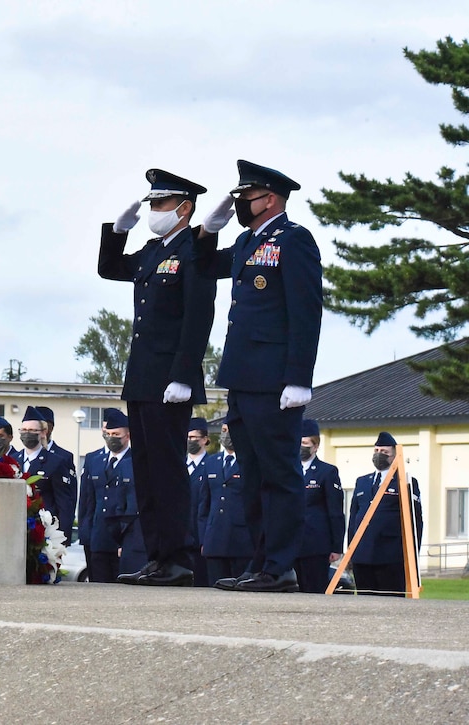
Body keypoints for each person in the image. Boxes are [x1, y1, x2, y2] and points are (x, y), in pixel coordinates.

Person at [195, 160, 323, 593]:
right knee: (251, 474)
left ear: (269, 199)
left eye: (244, 199)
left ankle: (281, 566)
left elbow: (306, 312)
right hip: (242, 377)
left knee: (278, 474)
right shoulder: (248, 241)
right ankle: (262, 562)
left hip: (274, 380)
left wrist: (298, 377)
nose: (238, 206)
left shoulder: (294, 240)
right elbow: (200, 262)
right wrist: (208, 229)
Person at [99, 168, 216, 587]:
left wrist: (184, 373)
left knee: (168, 471)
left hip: (171, 380)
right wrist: (118, 231)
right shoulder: (152, 250)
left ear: (184, 208)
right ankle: (157, 557)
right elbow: (110, 269)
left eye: (161, 203)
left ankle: (179, 559)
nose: (155, 210)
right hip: (143, 376)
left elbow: (199, 316)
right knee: (146, 471)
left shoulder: (194, 250)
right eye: (152, 204)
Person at [348, 432, 423, 596]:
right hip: (363, 554)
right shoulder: (363, 482)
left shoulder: (406, 481)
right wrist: (350, 550)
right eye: (376, 451)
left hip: (390, 555)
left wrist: (413, 554)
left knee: (391, 600)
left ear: (395, 456)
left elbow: (415, 520)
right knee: (364, 600)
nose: (379, 455)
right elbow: (353, 517)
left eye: (384, 452)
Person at [295, 419, 345, 593]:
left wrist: (336, 546)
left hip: (315, 544)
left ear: (315, 446)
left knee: (314, 589)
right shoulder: (288, 470)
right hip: (291, 544)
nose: (301, 447)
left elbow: (335, 511)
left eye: (305, 443)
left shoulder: (327, 472)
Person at [197, 424, 251, 584]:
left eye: (231, 430)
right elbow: (204, 505)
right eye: (224, 430)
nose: (226, 435)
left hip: (241, 540)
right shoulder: (212, 462)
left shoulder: (249, 462)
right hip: (215, 539)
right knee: (215, 587)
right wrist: (203, 539)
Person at [95, 409, 145, 580]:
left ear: (128, 436)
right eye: (108, 433)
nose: (111, 438)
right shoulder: (94, 460)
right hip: (100, 535)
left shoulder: (136, 462)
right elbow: (88, 500)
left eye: (116, 434)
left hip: (128, 537)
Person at [20, 406, 77, 545]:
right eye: (24, 430)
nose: (27, 434)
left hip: (44, 531)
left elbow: (64, 503)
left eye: (32, 430)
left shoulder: (56, 462)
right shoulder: (13, 460)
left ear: (43, 432)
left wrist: (63, 538)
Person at [78, 419, 111, 565]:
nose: (107, 433)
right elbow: (86, 499)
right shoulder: (93, 458)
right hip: (95, 533)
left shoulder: (132, 459)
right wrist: (84, 532)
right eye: (105, 429)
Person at [186, 418, 212, 587]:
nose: (191, 441)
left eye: (195, 438)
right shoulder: (179, 464)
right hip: (181, 537)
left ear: (204, 439)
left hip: (199, 535)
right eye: (188, 438)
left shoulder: (211, 465)